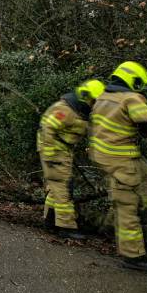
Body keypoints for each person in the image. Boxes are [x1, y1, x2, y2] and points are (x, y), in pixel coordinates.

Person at [89, 61, 147, 272]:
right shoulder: (131, 98)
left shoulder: (103, 97)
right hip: (122, 160)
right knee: (127, 206)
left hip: (105, 157)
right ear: (133, 80)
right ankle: (134, 255)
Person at [38, 79, 105, 239]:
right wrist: (51, 155)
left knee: (57, 188)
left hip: (62, 151)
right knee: (63, 188)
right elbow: (48, 128)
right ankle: (66, 226)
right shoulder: (65, 110)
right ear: (89, 97)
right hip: (54, 151)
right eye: (96, 101)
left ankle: (50, 221)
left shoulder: (79, 110)